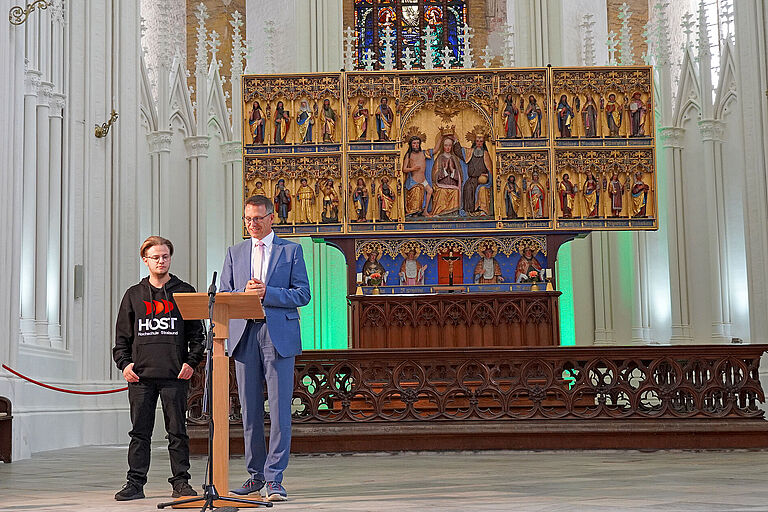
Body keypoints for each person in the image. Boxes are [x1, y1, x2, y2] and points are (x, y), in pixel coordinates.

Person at [221, 195, 311, 502]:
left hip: (277, 335)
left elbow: (303, 294)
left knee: (280, 408)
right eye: (248, 219)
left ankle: (275, 478)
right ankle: (255, 475)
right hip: (244, 334)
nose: (252, 224)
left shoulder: (291, 251)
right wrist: (242, 295)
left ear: (272, 218)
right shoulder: (235, 253)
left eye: (258, 218)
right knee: (249, 409)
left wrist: (267, 293)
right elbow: (223, 294)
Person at [112, 236, 204, 501]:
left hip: (175, 375)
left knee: (177, 431)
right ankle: (135, 483)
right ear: (145, 260)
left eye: (165, 256)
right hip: (140, 376)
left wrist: (191, 362)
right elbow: (121, 337)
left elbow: (197, 334)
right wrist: (124, 363)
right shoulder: (133, 295)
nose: (161, 261)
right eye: (155, 257)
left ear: (170, 258)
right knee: (139, 432)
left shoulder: (185, 291)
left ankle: (181, 483)